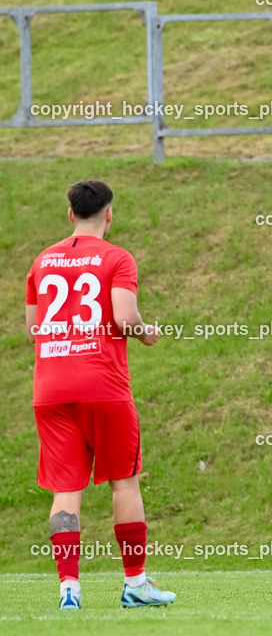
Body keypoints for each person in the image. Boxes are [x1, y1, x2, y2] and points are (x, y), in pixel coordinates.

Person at [25, 180, 176, 609]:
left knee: (65, 491)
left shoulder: (42, 260)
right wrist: (147, 334)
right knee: (123, 483)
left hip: (51, 389)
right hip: (102, 386)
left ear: (70, 214)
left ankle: (68, 587)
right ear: (109, 214)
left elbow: (35, 328)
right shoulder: (117, 258)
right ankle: (135, 583)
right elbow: (124, 317)